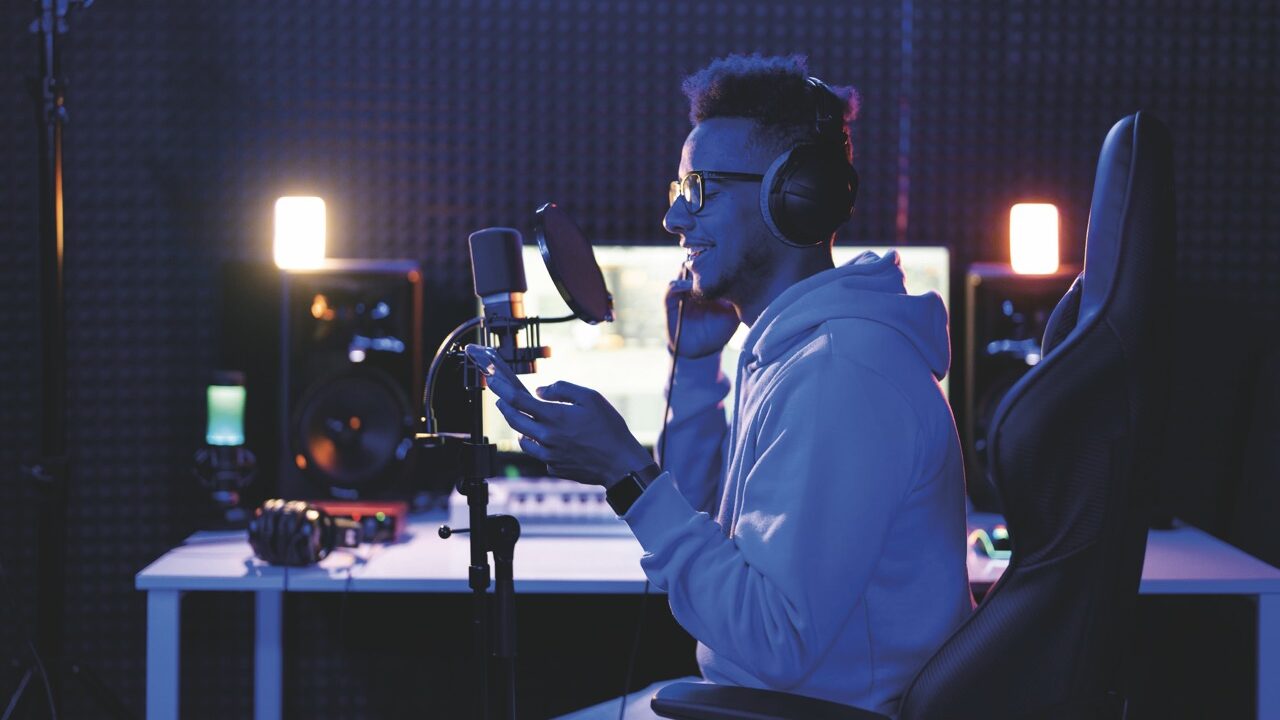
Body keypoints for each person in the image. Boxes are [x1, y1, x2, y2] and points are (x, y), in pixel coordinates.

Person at [478, 54, 972, 719]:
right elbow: (708, 520)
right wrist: (695, 369)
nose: (674, 220)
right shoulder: (795, 349)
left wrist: (625, 474)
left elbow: (776, 638)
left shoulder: (841, 371)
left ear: (793, 195)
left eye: (698, 189)